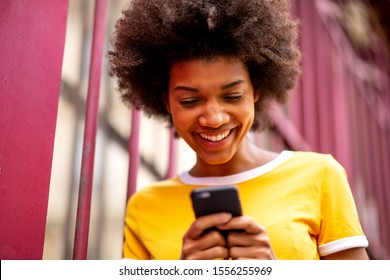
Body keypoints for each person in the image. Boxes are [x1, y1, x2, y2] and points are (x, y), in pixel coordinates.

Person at [108, 0, 369, 260]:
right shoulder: (146, 208)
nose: (214, 119)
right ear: (166, 101)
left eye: (232, 96)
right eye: (190, 101)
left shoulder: (319, 176)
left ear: (255, 90)